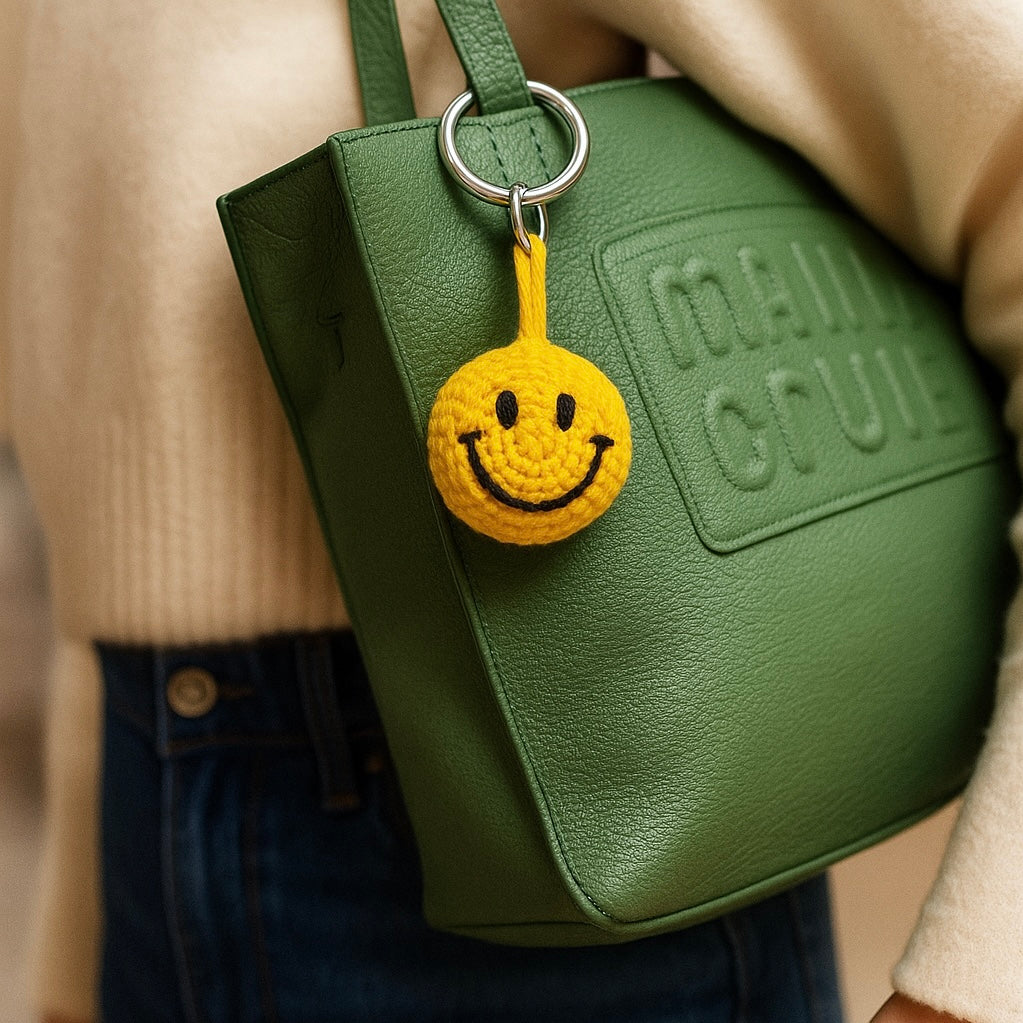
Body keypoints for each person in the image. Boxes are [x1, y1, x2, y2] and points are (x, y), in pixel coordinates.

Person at [4, 1, 1022, 1020]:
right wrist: (76, 941)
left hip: (558, 787)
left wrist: (978, 972)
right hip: (152, 806)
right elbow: (113, 423)